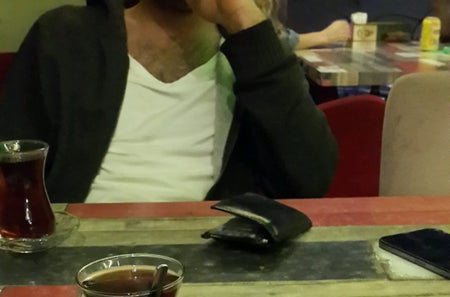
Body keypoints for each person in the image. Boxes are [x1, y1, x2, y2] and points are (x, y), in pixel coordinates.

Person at [0, 0, 337, 203]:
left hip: (212, 264)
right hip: (78, 261)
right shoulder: (64, 36)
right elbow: (11, 172)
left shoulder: (257, 57)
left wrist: (242, 17)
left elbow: (309, 182)